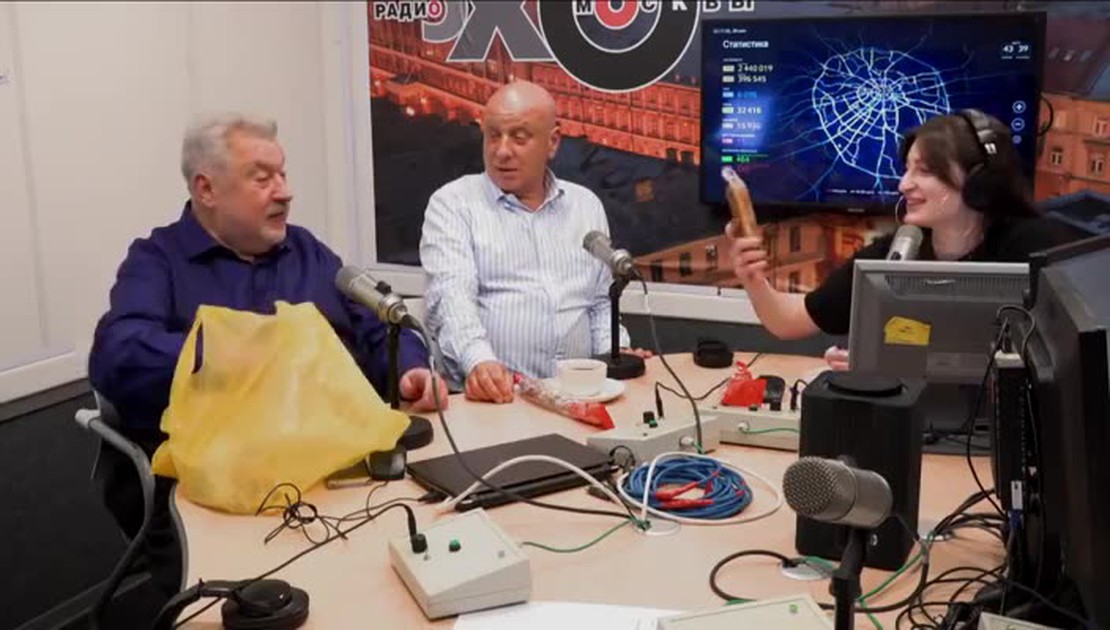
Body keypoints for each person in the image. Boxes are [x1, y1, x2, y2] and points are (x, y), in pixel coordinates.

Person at [87, 113, 447, 598]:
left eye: (283, 174)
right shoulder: (157, 259)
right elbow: (118, 355)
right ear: (207, 189)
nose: (285, 192)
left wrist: (409, 370)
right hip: (215, 494)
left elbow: (376, 326)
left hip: (331, 474)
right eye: (263, 179)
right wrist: (240, 351)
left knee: (394, 576)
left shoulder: (307, 251)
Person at [727, 110, 1080, 368]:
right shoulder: (899, 251)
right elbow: (788, 321)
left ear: (979, 182)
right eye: (907, 169)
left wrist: (889, 364)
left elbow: (1065, 362)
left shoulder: (1036, 248)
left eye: (924, 171)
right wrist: (752, 277)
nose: (903, 184)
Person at [420, 81, 651, 403]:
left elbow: (600, 302)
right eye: (493, 135)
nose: (502, 151)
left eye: (519, 137)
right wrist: (479, 362)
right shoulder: (453, 204)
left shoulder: (585, 206)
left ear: (552, 142)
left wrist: (615, 353)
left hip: (580, 396)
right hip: (496, 400)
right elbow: (451, 297)